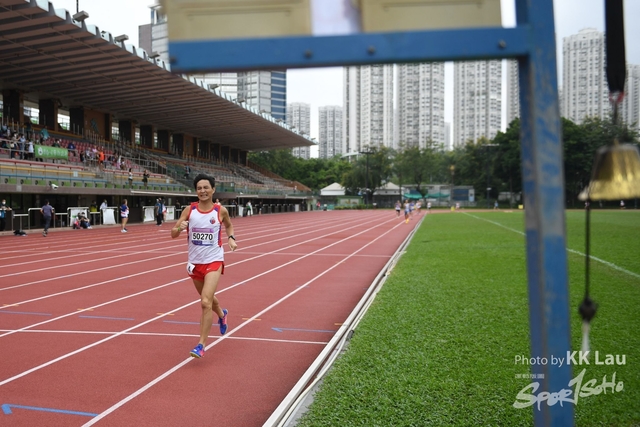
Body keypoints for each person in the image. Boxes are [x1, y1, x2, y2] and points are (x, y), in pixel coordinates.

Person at [172, 174, 237, 359]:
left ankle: (201, 345)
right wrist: (179, 228)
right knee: (207, 298)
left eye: (206, 187)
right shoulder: (189, 210)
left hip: (214, 260)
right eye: (199, 188)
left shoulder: (220, 211)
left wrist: (231, 238)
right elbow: (173, 234)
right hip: (195, 263)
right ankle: (222, 314)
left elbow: (229, 227)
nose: (202, 191)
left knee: (205, 302)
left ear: (213, 189)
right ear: (196, 191)